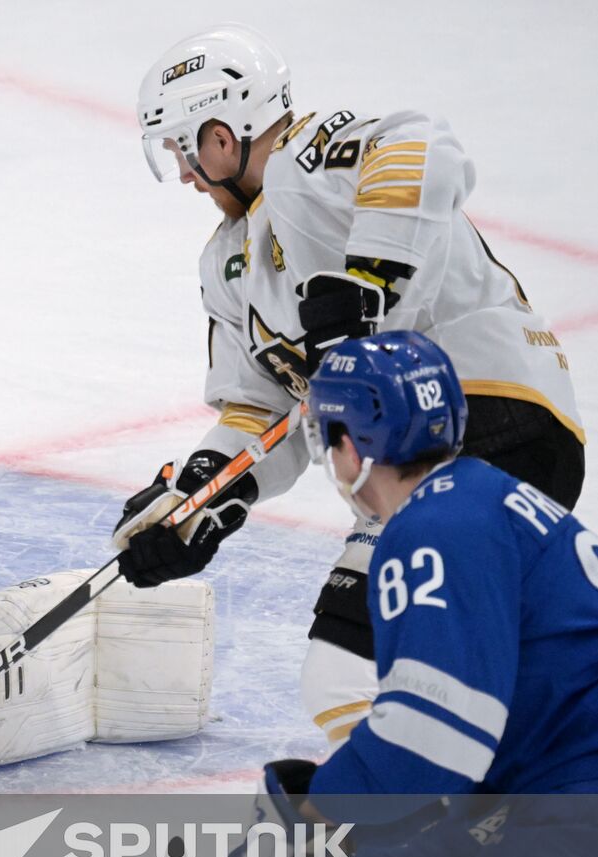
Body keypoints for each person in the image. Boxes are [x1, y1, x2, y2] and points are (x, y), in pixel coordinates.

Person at [120, 24, 585, 751]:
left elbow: (421, 144)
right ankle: (491, 827)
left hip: (485, 423)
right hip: (411, 464)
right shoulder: (224, 264)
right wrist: (202, 494)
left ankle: (409, 832)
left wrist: (368, 276)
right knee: (452, 681)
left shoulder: (305, 159)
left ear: (221, 132)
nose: (182, 172)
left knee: (344, 671)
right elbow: (263, 407)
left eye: (182, 147)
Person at [226, 330, 598, 857]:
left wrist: (308, 829)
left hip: (574, 815)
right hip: (545, 791)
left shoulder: (433, 532)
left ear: (349, 442)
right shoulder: (473, 497)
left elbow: (431, 736)